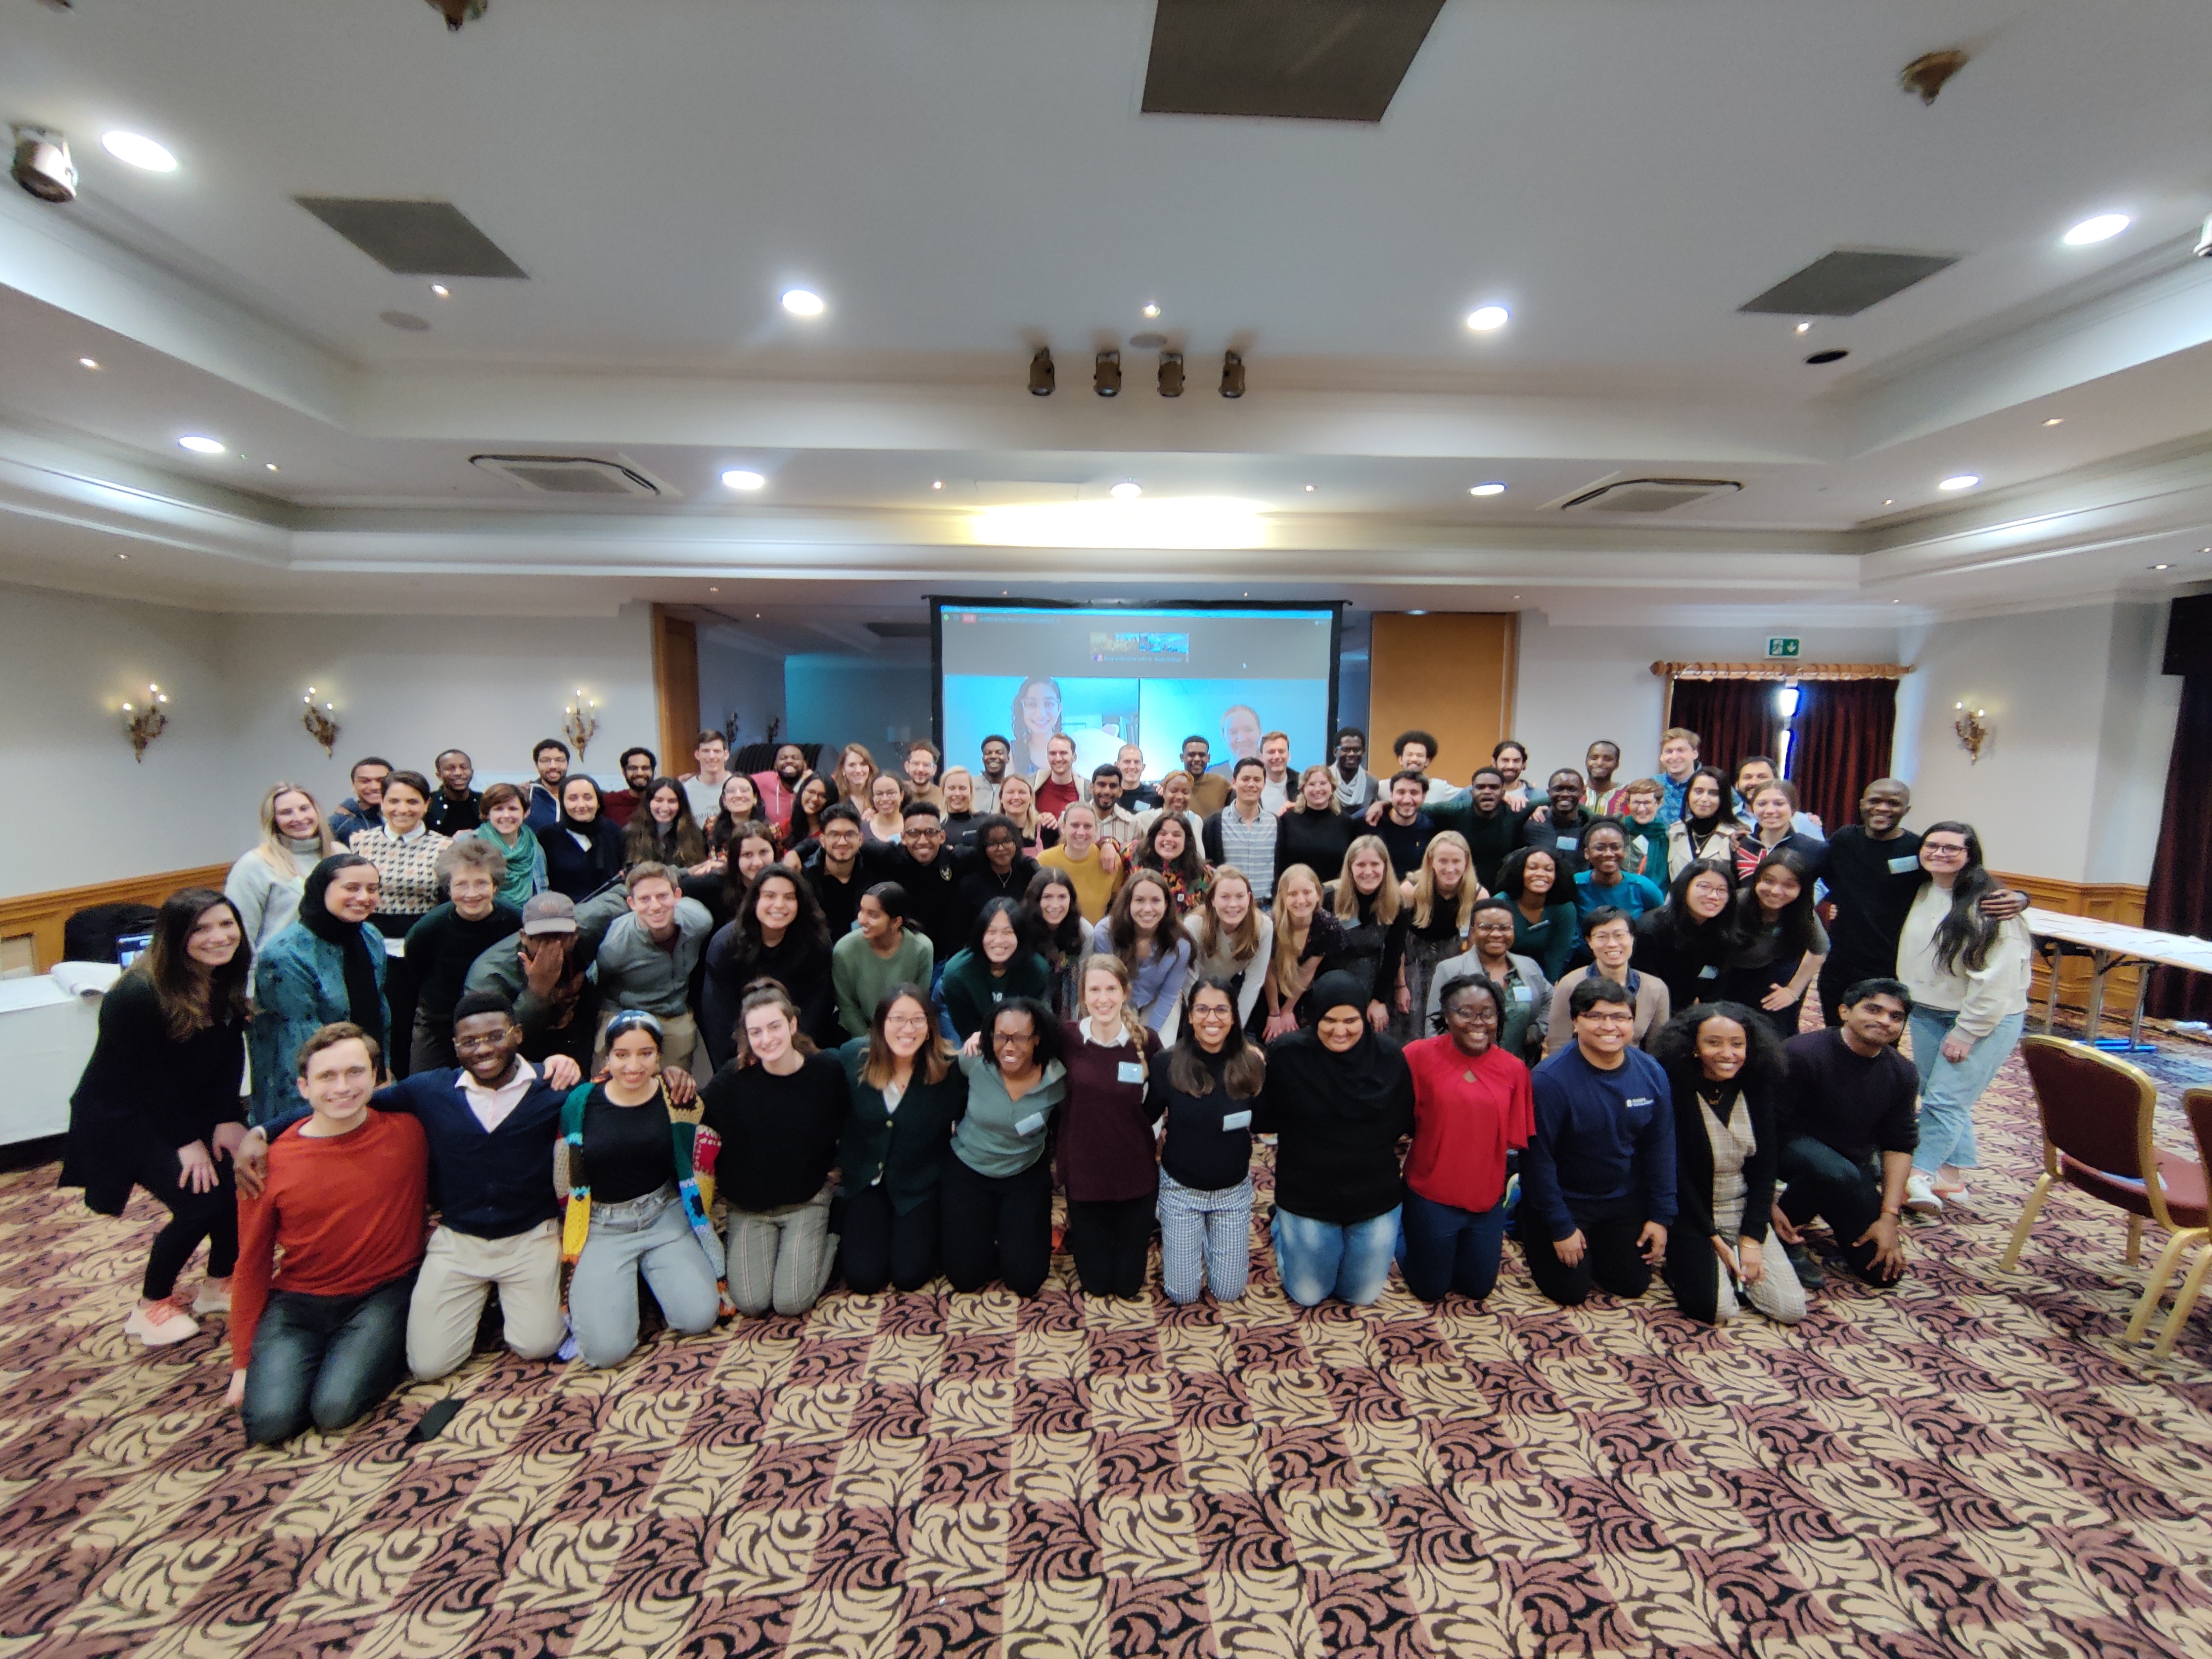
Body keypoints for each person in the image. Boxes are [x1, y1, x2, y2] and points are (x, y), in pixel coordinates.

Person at [238, 992, 590, 1381]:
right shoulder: (429, 1091)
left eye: (496, 1036)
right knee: (428, 1365)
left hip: (530, 1236)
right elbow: (348, 1100)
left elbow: (603, 1100)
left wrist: (566, 1062)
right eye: (469, 1042)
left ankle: (510, 1298)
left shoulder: (552, 1085)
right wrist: (263, 1129)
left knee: (537, 1345)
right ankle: (484, 1296)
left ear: (517, 1034)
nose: (484, 1049)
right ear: (455, 1046)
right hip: (459, 1241)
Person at [62, 888, 252, 1347]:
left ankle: (218, 1284)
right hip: (126, 1116)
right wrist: (188, 1143)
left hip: (189, 1107)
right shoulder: (136, 994)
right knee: (200, 1201)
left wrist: (228, 1117)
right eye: (201, 929)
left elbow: (227, 1055)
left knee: (234, 1187)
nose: (218, 937)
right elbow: (146, 1080)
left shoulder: (224, 974)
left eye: (227, 925)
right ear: (174, 937)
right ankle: (151, 1306)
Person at [226, 1022, 426, 1443]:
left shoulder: (410, 1130)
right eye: (326, 1077)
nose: (342, 1087)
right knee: (268, 1424)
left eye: (355, 1073)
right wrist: (243, 1363)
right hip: (300, 1302)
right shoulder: (266, 1164)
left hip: (384, 1292)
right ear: (303, 1087)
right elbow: (252, 1263)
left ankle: (377, 1353)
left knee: (333, 1409)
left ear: (377, 1077)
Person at [555, 1010, 723, 1367]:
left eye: (645, 1054)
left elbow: (699, 1153)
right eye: (622, 1055)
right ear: (607, 1057)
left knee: (699, 1316)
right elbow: (566, 1172)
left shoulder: (676, 1099)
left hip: (663, 1216)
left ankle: (650, 1279)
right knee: (605, 1351)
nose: (633, 1065)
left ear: (659, 1056)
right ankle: (627, 1286)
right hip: (603, 1225)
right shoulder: (581, 1103)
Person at [1257, 969, 1416, 1307]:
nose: (1340, 1031)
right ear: (1314, 1018)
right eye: (1329, 1020)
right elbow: (1265, 1117)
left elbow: (1402, 1120)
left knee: (1360, 1295)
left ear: (1364, 1017)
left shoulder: (1389, 1058)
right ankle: (1281, 1228)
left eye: (1351, 1020)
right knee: (1309, 1294)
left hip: (1374, 1196)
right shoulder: (1288, 1055)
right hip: (1307, 1193)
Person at [1816, 779, 2027, 1029]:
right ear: (1862, 804)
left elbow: (1966, 881)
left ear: (1906, 810)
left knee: (1881, 1041)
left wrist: (2023, 896)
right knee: (1835, 1034)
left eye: (1893, 803)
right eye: (1875, 801)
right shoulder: (1844, 840)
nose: (1883, 808)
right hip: (1842, 960)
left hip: (1893, 967)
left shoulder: (1918, 850)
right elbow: (1820, 875)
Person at [1898, 822, 2031, 1213]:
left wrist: (1968, 1032)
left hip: (1982, 1019)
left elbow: (1998, 979)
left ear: (1970, 855)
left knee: (1944, 1098)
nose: (1940, 854)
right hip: (1928, 1010)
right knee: (1941, 1094)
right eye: (1932, 846)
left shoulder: (1989, 904)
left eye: (1952, 848)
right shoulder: (1922, 890)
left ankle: (1917, 1177)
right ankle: (1951, 1179)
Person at [1519, 977, 1675, 1306]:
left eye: (1620, 1017)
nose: (1609, 1027)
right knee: (1570, 1292)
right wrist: (1560, 1227)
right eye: (1596, 1016)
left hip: (1623, 1197)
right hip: (1568, 1198)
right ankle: (1523, 1216)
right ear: (1576, 1022)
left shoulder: (1652, 1072)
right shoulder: (1549, 1082)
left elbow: (1661, 1149)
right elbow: (1538, 1160)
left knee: (1632, 1284)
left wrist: (1661, 1217)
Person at [1651, 1003, 1805, 1327]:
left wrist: (1751, 1239)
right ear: (1693, 1047)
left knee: (1791, 1308)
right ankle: (1687, 1267)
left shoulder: (1757, 1087)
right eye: (1714, 1043)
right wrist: (1714, 1239)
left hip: (1742, 1207)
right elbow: (1674, 1176)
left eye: (1737, 1044)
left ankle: (1733, 1271)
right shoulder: (1674, 1089)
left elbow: (1766, 1171)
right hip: (1692, 1213)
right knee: (1718, 1311)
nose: (1728, 1054)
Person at [701, 984, 849, 1318]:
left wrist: (837, 1171)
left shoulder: (825, 1071)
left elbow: (846, 1123)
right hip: (750, 1207)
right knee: (752, 1302)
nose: (766, 1039)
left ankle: (834, 1234)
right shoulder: (732, 1080)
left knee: (790, 1301)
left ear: (792, 1025)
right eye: (756, 1032)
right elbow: (695, 1114)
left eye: (774, 1027)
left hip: (806, 1200)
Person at [1400, 974, 1534, 1303]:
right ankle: (1399, 1232)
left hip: (1485, 1199)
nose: (1479, 1023)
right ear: (1447, 1015)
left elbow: (1516, 1141)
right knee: (1430, 1290)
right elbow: (1395, 1122)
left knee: (1477, 1288)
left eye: (1488, 1014)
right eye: (1466, 1013)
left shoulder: (1514, 1069)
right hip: (1430, 1192)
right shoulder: (1416, 1056)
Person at [1778, 979, 1917, 1287]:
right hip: (1785, 1150)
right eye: (1874, 1010)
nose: (1885, 1021)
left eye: (1896, 1017)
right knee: (1833, 1172)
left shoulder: (1902, 1072)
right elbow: (1761, 1129)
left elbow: (1900, 1144)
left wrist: (1889, 1217)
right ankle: (1776, 1231)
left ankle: (1811, 1208)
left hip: (1849, 1169)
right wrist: (1764, 1204)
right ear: (1844, 1011)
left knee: (1881, 1273)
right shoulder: (1800, 1053)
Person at [837, 985, 965, 1293]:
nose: (908, 1029)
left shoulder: (948, 1068)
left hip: (919, 1184)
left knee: (909, 1275)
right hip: (865, 1182)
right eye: (898, 1019)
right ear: (881, 1023)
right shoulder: (851, 1057)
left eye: (918, 1020)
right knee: (863, 1278)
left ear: (930, 1025)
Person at [249, 855, 388, 1123]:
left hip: (363, 1077)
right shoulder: (286, 955)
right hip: (307, 1092)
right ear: (322, 889)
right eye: (351, 888)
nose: (364, 897)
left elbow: (379, 1012)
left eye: (373, 889)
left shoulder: (370, 936)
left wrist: (380, 1073)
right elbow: (300, 1047)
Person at [1057, 955, 1165, 1297]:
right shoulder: (1067, 1039)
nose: (1102, 999)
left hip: (1135, 1173)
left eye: (1110, 989)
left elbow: (1159, 1102)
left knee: (1128, 1285)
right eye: (1094, 990)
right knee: (1098, 1285)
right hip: (1085, 1175)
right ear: (1083, 996)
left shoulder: (1148, 1041)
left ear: (1125, 993)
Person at [943, 998, 1067, 1296]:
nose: (1009, 1047)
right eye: (1001, 1036)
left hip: (1024, 1172)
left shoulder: (1058, 1078)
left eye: (1020, 1038)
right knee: (965, 1279)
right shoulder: (973, 1061)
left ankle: (1007, 1233)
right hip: (970, 1169)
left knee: (1026, 1281)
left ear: (1036, 1039)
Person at [1154, 976, 1263, 1304]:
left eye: (1220, 1010)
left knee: (1228, 1292)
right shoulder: (1167, 1063)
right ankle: (1182, 1236)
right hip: (1181, 1189)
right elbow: (1146, 1116)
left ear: (1233, 1016)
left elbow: (1268, 1118)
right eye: (1202, 1009)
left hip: (1232, 1191)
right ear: (1189, 1016)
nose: (1211, 1019)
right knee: (1182, 1294)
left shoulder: (1252, 1063)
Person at [397, 839, 523, 1073]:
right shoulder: (428, 928)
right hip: (438, 1020)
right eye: (462, 885)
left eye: (481, 884)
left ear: (495, 887)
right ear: (449, 889)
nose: (471, 894)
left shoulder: (514, 921)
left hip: (495, 1020)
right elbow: (416, 966)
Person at [702, 866, 837, 1064]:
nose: (779, 905)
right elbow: (719, 1018)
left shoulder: (816, 943)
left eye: (789, 897)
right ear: (755, 900)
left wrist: (790, 1051)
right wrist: (745, 1056)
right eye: (770, 896)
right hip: (743, 1052)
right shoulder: (725, 945)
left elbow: (817, 1010)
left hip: (798, 1049)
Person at [593, 862, 716, 1078]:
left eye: (662, 896)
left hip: (674, 1009)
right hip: (625, 1008)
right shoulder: (616, 944)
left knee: (675, 1083)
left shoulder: (699, 921)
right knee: (628, 1075)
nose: (656, 906)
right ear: (631, 903)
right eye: (645, 899)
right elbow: (598, 982)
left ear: (677, 895)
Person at [462, 892, 602, 1073]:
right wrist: (537, 992)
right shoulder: (490, 974)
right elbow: (493, 1043)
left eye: (560, 937)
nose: (552, 946)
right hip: (521, 1058)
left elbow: (618, 899)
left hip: (576, 1038)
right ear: (524, 937)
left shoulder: (590, 934)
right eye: (541, 938)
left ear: (576, 935)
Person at [1427, 896, 1551, 1064]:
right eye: (1486, 927)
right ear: (1472, 931)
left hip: (1519, 1068)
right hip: (1464, 1067)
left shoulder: (1529, 967)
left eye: (1504, 928)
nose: (1496, 934)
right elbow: (1433, 1026)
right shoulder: (1450, 970)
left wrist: (1537, 1031)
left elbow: (1552, 999)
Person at [1725, 849, 1827, 1037]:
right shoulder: (1735, 904)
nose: (1776, 891)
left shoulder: (1804, 913)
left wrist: (1793, 991)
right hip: (1727, 971)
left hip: (1773, 971)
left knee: (1774, 1031)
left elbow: (1819, 952)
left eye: (1788, 885)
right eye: (1769, 881)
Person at [1544, 907, 1671, 1055]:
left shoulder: (1656, 989)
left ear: (1632, 938)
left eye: (1619, 935)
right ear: (1589, 942)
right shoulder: (1571, 984)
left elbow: (1658, 1049)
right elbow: (1559, 1043)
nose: (1612, 944)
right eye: (1602, 937)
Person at [227, 783, 335, 955]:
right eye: (286, 813)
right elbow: (242, 934)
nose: (298, 818)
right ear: (273, 820)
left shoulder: (339, 855)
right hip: (280, 972)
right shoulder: (253, 865)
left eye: (304, 809)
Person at [1394, 831, 1479, 1044]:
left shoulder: (1477, 894)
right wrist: (1400, 986)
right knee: (1411, 1029)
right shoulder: (1410, 890)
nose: (1450, 869)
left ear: (1466, 862)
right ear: (1431, 861)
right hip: (1413, 965)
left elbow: (1473, 949)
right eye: (1443, 861)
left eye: (1456, 861)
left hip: (1452, 963)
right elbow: (1397, 944)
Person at [347, 770, 450, 938]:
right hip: (367, 938)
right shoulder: (360, 843)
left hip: (424, 938)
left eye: (412, 802)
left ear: (427, 804)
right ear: (382, 802)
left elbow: (449, 904)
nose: (403, 810)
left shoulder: (446, 847)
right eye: (394, 801)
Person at [1631, 859, 1740, 1014]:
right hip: (1650, 1010)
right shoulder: (1650, 930)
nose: (1714, 896)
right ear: (1685, 888)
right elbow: (1645, 988)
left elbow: (1716, 984)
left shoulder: (1725, 930)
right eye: (1704, 887)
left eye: (1722, 890)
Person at [1324, 835, 1409, 1034]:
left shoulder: (1397, 903)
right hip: (1331, 982)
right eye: (1361, 865)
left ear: (1385, 867)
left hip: (1373, 983)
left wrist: (1379, 1000)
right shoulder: (1329, 898)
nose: (1368, 871)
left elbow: (1393, 956)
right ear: (1350, 867)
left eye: (1375, 864)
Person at [1094, 870, 1194, 1036]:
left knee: (1159, 1052)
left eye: (1156, 901)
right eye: (1140, 901)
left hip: (1158, 1000)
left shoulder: (1181, 944)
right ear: (1128, 904)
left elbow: (1169, 994)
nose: (1148, 909)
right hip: (1115, 1002)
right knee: (1123, 1051)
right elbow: (1105, 986)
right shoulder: (1105, 934)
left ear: (1167, 905)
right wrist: (1127, 1029)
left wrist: (1149, 1035)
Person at [939, 898, 1050, 1042]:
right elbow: (967, 1032)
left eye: (1008, 932)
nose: (998, 940)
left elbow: (1038, 1026)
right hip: (976, 1040)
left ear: (1020, 935)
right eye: (991, 932)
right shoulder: (957, 973)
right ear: (981, 935)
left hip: (1021, 1041)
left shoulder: (1037, 970)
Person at [833, 882, 935, 1037]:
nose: (862, 920)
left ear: (896, 922)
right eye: (861, 911)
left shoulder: (921, 948)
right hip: (859, 1034)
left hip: (905, 1029)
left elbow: (919, 1002)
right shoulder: (844, 950)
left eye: (873, 915)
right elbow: (847, 1007)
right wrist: (869, 1042)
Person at [1183, 866, 1274, 1032]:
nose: (1233, 905)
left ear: (1249, 898)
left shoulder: (1263, 927)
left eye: (1240, 897)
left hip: (1229, 989)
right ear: (1212, 900)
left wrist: (1234, 1029)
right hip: (1191, 995)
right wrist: (1203, 1023)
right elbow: (1189, 981)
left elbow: (1254, 982)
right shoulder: (1194, 926)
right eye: (1225, 897)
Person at [1262, 863, 1344, 1036]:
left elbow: (1307, 972)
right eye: (1293, 894)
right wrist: (1275, 1013)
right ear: (1283, 898)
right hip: (1268, 992)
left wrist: (1288, 1011)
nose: (1301, 901)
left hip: (1300, 992)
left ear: (1318, 895)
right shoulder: (1269, 926)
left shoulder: (1326, 925)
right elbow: (1268, 973)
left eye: (1307, 893)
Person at [1201, 757, 1278, 905]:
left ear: (1264, 784)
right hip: (1228, 909)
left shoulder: (1276, 824)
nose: (1251, 785)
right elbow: (1208, 869)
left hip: (1267, 909)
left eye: (1257, 780)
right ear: (1234, 782)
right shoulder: (1214, 823)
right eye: (1246, 779)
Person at [1496, 846, 1576, 982]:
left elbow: (1557, 955)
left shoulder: (1564, 909)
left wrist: (1548, 991)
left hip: (1542, 976)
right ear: (1520, 872)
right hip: (1502, 971)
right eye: (1533, 868)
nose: (1540, 874)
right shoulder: (1501, 903)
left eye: (1548, 869)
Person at [1023, 868, 1094, 1021]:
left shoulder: (1085, 932)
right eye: (1047, 897)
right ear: (1036, 899)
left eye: (1062, 897)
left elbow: (1083, 981)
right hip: (1026, 1006)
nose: (1055, 905)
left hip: (1068, 1008)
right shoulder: (1021, 928)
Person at [539, 775, 624, 900]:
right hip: (566, 914)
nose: (581, 805)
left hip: (611, 909)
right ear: (563, 803)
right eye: (573, 799)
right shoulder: (547, 837)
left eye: (588, 798)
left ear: (599, 802)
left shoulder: (612, 830)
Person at [1039, 801, 1126, 923]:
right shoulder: (1044, 861)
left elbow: (1118, 902)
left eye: (1087, 826)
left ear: (1096, 829)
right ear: (1063, 828)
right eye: (1075, 825)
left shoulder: (1112, 861)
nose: (1081, 832)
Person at [1572, 818, 1668, 923]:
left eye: (1615, 847)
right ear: (1587, 853)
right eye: (1600, 848)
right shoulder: (1575, 885)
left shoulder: (1644, 888)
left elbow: (1660, 926)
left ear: (1624, 851)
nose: (1609, 854)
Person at [1733, 780, 1827, 883]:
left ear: (1793, 809)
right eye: (1762, 804)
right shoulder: (1739, 845)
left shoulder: (1814, 849)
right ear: (1753, 809)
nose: (1770, 811)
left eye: (1779, 804)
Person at [799, 802, 869, 938]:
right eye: (834, 835)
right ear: (823, 840)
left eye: (849, 834)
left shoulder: (874, 870)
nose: (842, 842)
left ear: (860, 839)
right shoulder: (805, 877)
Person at [955, 814, 1041, 922]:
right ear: (983, 847)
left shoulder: (1029, 878)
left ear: (1016, 842)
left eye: (1007, 841)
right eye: (993, 843)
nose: (1001, 848)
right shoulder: (969, 885)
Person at [1276, 764, 1354, 882]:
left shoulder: (1346, 822)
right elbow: (1279, 862)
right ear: (1303, 789)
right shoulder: (1288, 819)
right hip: (1295, 892)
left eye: (1323, 783)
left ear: (1332, 787)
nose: (1318, 789)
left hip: (1333, 894)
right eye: (1312, 784)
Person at [474, 782, 546, 907]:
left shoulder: (534, 847)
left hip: (527, 919)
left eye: (513, 809)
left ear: (525, 813)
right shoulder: (472, 844)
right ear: (488, 814)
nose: (506, 815)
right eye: (499, 809)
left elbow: (543, 890)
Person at [1667, 767, 1743, 878]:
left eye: (1713, 793)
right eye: (1699, 791)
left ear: (1724, 798)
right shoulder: (1674, 832)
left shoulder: (1736, 836)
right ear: (1688, 794)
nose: (1704, 799)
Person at [624, 778, 711, 872]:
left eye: (672, 801)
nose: (665, 808)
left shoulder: (695, 835)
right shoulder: (630, 833)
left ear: (681, 805)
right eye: (659, 800)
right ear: (649, 802)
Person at [1132, 811, 1209, 917]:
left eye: (1176, 835)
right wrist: (1108, 842)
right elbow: (1112, 847)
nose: (1169, 839)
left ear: (1187, 841)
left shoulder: (1203, 873)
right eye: (1163, 834)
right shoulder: (1134, 856)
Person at [1519, 769, 1592, 878]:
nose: (1565, 794)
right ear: (1549, 792)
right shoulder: (1532, 825)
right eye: (1559, 789)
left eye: (1572, 789)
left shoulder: (1589, 830)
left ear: (1583, 792)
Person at [1731, 757, 1825, 841]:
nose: (1754, 782)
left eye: (1762, 777)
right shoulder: (1725, 818)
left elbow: (1818, 857)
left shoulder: (1804, 822)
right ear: (1737, 785)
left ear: (1776, 781)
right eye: (1747, 777)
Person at [1375, 771, 1436, 878]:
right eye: (1401, 792)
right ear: (1391, 795)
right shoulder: (1372, 822)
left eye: (1414, 793)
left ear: (1424, 797)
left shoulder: (1429, 828)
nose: (1407, 800)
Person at [1011, 676, 1070, 778]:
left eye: (1049, 704)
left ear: (1059, 709)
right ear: (1022, 709)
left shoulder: (1073, 748)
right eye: (1032, 704)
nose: (1040, 714)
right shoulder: (1011, 752)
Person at [704, 773, 767, 863]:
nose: (738, 795)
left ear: (755, 798)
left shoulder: (771, 831)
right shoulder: (711, 825)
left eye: (744, 790)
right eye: (731, 791)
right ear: (724, 801)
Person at [1134, 769, 1205, 847]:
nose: (1179, 797)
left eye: (1185, 792)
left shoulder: (1196, 821)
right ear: (1164, 792)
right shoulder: (1143, 819)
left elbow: (1200, 855)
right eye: (1174, 791)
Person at [330, 757, 391, 844]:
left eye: (381, 781)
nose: (374, 787)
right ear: (353, 785)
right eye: (365, 781)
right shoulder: (340, 822)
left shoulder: (408, 814)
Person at [1618, 780, 1670, 882]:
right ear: (1628, 803)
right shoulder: (1618, 830)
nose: (1641, 809)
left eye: (1647, 803)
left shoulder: (1668, 837)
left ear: (1659, 803)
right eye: (1636, 803)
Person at [679, 731, 734, 823]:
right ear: (697, 755)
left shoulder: (738, 787)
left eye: (717, 751)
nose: (712, 756)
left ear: (726, 755)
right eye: (706, 751)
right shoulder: (686, 790)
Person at [751, 743, 809, 830]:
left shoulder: (812, 784)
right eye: (783, 758)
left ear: (805, 766)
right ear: (775, 766)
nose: (789, 761)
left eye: (795, 758)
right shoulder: (764, 780)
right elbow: (738, 781)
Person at [425, 749, 481, 837]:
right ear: (439, 775)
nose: (458, 773)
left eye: (463, 767)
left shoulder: (485, 801)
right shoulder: (428, 803)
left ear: (472, 772)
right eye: (451, 768)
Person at [1088, 763, 1142, 852]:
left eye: (1113, 786)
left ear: (1120, 791)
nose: (1107, 791)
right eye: (1102, 785)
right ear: (1091, 788)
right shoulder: (1072, 819)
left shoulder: (1133, 824)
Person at [1033, 733, 1082, 827]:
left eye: (1063, 753)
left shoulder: (1087, 791)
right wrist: (1037, 818)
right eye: (1053, 754)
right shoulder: (1031, 785)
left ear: (1074, 757)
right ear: (1047, 757)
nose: (1058, 758)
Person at [1653, 727, 1700, 826]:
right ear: (1661, 757)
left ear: (1695, 754)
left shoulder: (1713, 784)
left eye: (1681, 750)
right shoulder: (1652, 786)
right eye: (1669, 752)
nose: (1674, 757)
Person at [1176, 734, 1231, 817]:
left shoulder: (1220, 783)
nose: (1197, 759)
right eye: (1192, 755)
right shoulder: (1172, 783)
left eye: (1202, 755)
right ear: (1182, 757)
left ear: (1208, 758)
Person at [523, 739, 572, 833]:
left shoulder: (579, 795)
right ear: (537, 765)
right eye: (546, 761)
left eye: (559, 760)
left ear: (567, 764)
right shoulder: (526, 795)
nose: (553, 766)